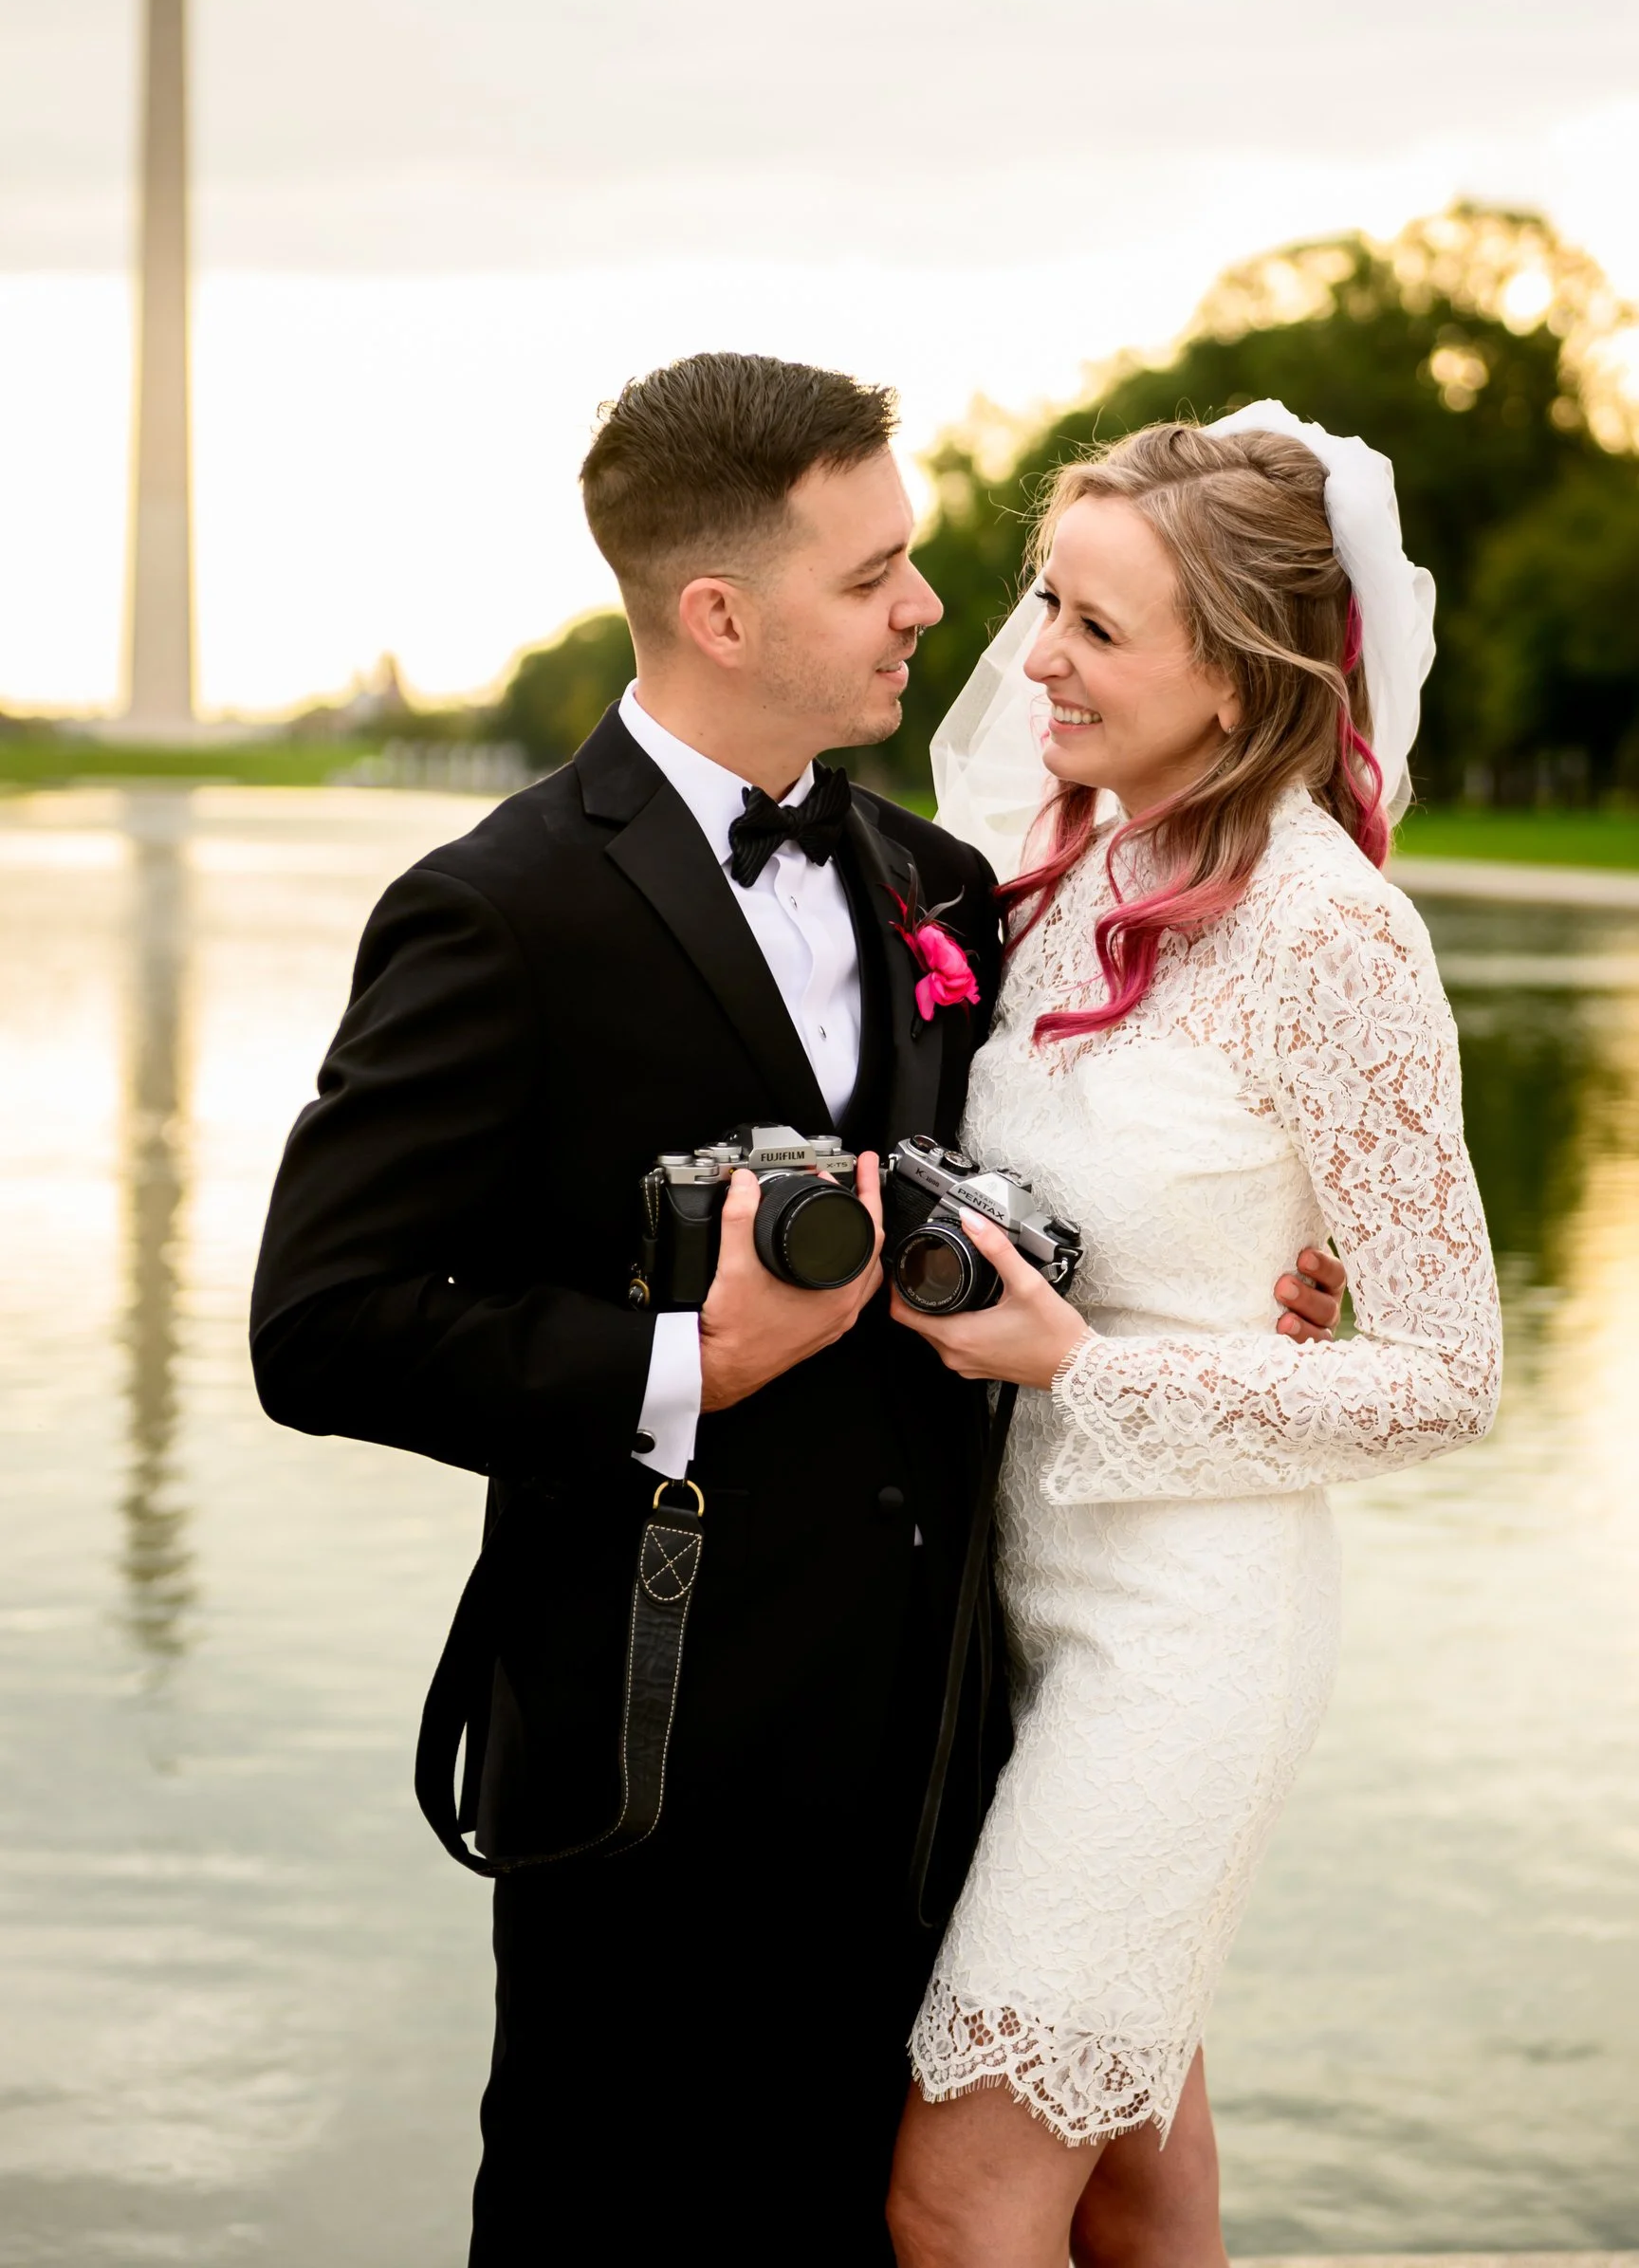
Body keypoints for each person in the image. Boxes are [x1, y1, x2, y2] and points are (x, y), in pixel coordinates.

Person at [248, 356, 1342, 2266]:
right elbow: (320, 1322)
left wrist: (1261, 1287)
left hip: (948, 1736)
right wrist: (688, 1356)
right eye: (878, 573)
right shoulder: (495, 909)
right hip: (653, 1763)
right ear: (720, 612)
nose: (931, 609)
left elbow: (1063, 1195)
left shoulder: (935, 881)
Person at [884, 405, 1503, 2268]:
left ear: (1237, 684)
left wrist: (1087, 1369)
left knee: (957, 2200)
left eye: (1096, 627)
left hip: (1186, 1639)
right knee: (1142, 2179)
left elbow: (1451, 1379)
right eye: (1046, 603)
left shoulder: (1334, 936)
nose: (1037, 659)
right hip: (1019, 1605)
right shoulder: (1062, 871)